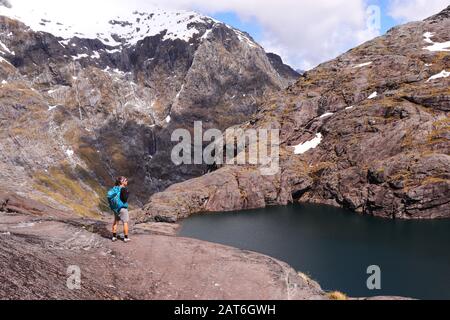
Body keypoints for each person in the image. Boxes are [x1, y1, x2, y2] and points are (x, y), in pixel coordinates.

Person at [107, 176, 131, 243]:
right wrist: (128, 193)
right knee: (125, 222)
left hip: (115, 209)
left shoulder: (115, 188)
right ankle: (126, 238)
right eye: (125, 180)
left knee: (115, 221)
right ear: (122, 182)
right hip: (122, 208)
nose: (127, 181)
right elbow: (125, 199)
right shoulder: (123, 189)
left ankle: (114, 237)